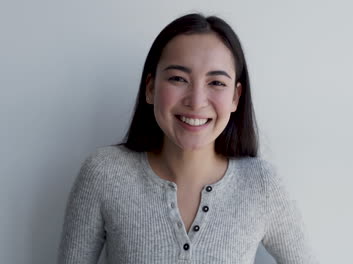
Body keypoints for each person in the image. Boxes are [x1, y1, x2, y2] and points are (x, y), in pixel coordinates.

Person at [57, 12, 318, 264]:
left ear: (236, 97)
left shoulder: (262, 186)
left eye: (216, 82)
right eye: (178, 78)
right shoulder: (104, 173)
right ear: (150, 88)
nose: (195, 101)